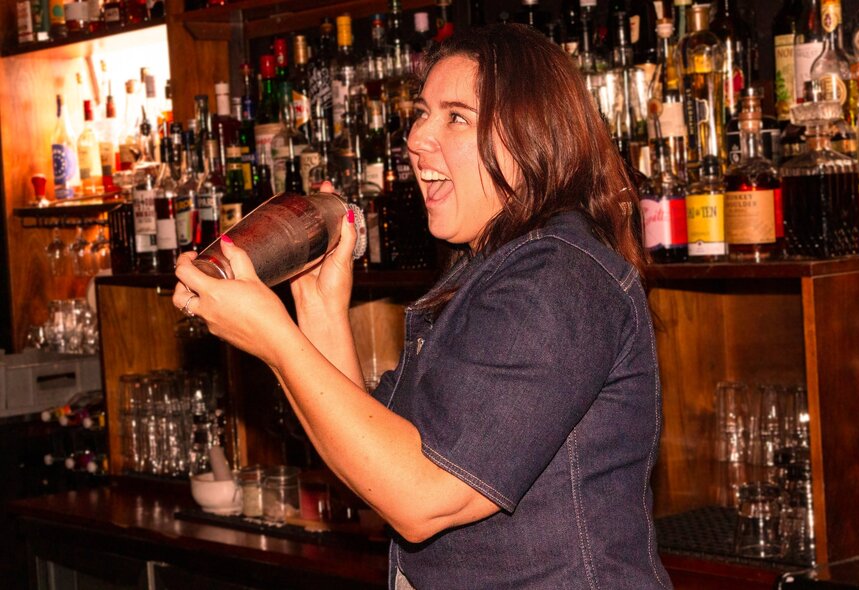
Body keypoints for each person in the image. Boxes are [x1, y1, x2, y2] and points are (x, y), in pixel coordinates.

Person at [174, 23, 672, 590]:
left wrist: (275, 337)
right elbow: (375, 467)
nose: (415, 138)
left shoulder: (556, 278)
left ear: (531, 134)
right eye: (422, 112)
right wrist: (317, 309)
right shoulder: (486, 273)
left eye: (455, 116)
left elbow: (420, 498)